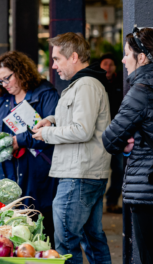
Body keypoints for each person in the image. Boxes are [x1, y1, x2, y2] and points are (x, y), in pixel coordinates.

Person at [32, 32, 112, 264]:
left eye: (57, 59)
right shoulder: (85, 83)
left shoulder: (85, 84)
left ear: (74, 56)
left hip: (78, 175)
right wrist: (52, 119)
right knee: (93, 238)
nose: (54, 65)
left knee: (66, 242)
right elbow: (81, 120)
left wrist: (46, 133)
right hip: (86, 173)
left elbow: (82, 129)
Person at [0, 51, 59, 247]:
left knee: (42, 229)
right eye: (0, 81)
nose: (5, 85)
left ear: (22, 72)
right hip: (8, 175)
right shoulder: (2, 100)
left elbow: (53, 132)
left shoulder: (45, 95)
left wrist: (19, 141)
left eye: (8, 78)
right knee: (13, 231)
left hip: (38, 174)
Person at [102, 27, 153, 264]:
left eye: (127, 54)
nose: (123, 59)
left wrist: (125, 143)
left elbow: (110, 139)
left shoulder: (140, 91)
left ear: (142, 57)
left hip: (149, 189)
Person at [99, 53, 124, 214]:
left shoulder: (122, 81)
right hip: (100, 135)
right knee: (99, 169)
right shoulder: (97, 83)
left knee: (119, 168)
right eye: (105, 64)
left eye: (111, 64)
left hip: (119, 133)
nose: (108, 67)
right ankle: (97, 203)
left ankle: (112, 201)